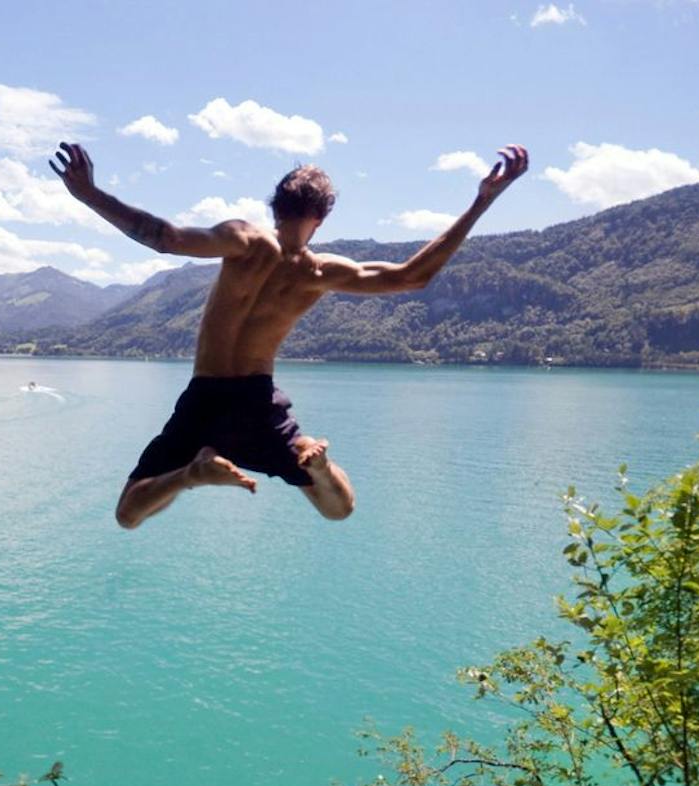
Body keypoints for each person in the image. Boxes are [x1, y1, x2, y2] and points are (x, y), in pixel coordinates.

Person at [49, 141, 528, 529]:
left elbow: (165, 237)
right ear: (322, 217)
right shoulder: (321, 271)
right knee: (339, 508)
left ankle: (190, 476)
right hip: (258, 404)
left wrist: (89, 194)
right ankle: (316, 466)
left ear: (274, 207)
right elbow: (411, 277)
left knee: (129, 513)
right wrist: (481, 202)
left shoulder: (244, 241)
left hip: (205, 396)